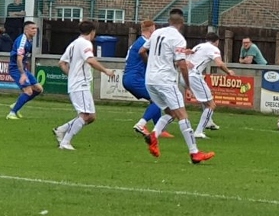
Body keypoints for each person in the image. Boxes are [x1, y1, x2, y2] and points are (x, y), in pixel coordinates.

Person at [138, 13, 215, 164]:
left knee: (171, 113)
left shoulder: (157, 33)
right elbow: (182, 65)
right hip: (165, 81)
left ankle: (154, 135)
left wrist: (153, 66)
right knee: (182, 115)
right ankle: (195, 153)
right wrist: (188, 84)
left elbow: (141, 51)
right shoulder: (179, 38)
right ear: (182, 23)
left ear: (169, 21)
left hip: (150, 80)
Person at [52, 21, 115, 150]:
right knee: (85, 115)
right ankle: (65, 142)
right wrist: (106, 70)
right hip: (80, 84)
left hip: (78, 84)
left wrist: (71, 75)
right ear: (92, 31)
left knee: (91, 117)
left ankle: (61, 130)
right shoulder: (85, 43)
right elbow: (90, 60)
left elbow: (62, 63)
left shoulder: (73, 44)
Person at [125, 20, 174, 138]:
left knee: (155, 100)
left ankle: (159, 129)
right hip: (135, 78)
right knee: (159, 99)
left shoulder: (138, 41)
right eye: (155, 28)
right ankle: (141, 124)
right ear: (151, 29)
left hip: (130, 77)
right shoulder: (147, 42)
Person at [184, 32, 235, 139]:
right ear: (217, 41)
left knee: (205, 101)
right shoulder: (213, 48)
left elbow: (187, 60)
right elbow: (219, 63)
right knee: (211, 105)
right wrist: (228, 72)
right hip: (194, 75)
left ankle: (209, 122)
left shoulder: (199, 46)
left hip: (184, 75)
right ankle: (198, 131)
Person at [6, 21, 42, 120]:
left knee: (39, 89)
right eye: (32, 28)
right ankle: (12, 113)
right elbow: (19, 58)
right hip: (16, 69)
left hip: (23, 68)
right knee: (28, 91)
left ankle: (16, 105)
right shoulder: (22, 40)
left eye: (36, 28)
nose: (35, 31)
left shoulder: (29, 40)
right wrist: (22, 74)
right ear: (26, 30)